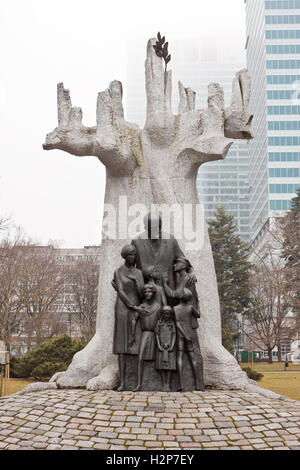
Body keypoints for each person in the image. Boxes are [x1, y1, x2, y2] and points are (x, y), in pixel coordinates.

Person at [131, 213, 196, 293]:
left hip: (168, 286)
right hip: (147, 290)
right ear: (146, 228)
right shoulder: (137, 242)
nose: (157, 231)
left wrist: (191, 271)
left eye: (159, 227)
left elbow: (181, 259)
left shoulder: (170, 240)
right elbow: (130, 266)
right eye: (153, 229)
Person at [112, 244, 144, 391]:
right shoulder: (118, 271)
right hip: (123, 309)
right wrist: (132, 306)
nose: (133, 257)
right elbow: (121, 292)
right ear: (125, 256)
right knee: (122, 346)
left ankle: (138, 382)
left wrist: (137, 282)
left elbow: (142, 294)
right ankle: (123, 382)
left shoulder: (138, 273)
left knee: (136, 344)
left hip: (136, 309)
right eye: (131, 254)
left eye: (135, 254)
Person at [131, 283, 162, 391]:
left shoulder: (158, 306)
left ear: (153, 293)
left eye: (149, 292)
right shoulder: (141, 306)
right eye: (145, 292)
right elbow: (134, 320)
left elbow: (161, 322)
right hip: (145, 334)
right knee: (140, 358)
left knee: (159, 358)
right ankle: (139, 384)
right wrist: (132, 334)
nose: (147, 294)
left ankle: (160, 382)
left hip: (156, 335)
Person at [173, 288, 204, 391]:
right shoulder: (191, 308)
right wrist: (198, 304)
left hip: (181, 335)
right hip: (189, 334)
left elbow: (177, 323)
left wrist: (184, 335)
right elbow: (198, 314)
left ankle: (181, 384)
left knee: (180, 357)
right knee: (192, 359)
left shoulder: (175, 309)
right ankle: (197, 384)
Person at [155, 306, 176, 391]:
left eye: (168, 314)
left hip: (170, 347)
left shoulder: (172, 323)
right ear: (162, 314)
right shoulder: (159, 323)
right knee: (162, 366)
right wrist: (159, 345)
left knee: (169, 367)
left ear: (170, 315)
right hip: (161, 347)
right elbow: (156, 334)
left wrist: (172, 345)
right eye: (164, 314)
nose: (166, 315)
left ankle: (168, 384)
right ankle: (164, 384)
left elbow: (174, 334)